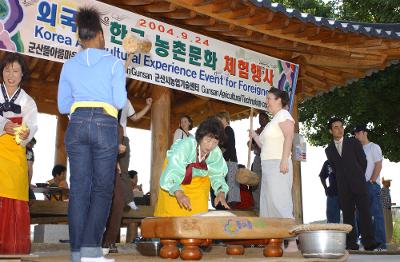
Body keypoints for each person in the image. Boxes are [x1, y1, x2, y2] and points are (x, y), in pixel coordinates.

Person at [57, 7, 127, 262]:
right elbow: (119, 100)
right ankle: (90, 251)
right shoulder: (113, 62)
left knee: (79, 190)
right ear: (98, 34)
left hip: (76, 124)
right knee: (101, 189)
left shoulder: (69, 65)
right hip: (104, 124)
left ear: (81, 38)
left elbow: (63, 106)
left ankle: (78, 254)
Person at [0, 52, 38, 254]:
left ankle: (11, 248)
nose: (11, 75)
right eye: (7, 70)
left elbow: (32, 126)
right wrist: (3, 123)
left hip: (15, 155)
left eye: (15, 70)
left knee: (13, 196)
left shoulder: (28, 102)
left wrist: (24, 132)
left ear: (23, 74)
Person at [154, 116, 230, 217]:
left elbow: (217, 175)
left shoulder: (216, 153)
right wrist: (179, 193)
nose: (210, 146)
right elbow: (174, 171)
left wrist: (221, 192)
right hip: (175, 178)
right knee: (171, 214)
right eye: (208, 140)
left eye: (215, 142)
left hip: (198, 184)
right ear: (200, 137)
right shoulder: (185, 146)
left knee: (198, 216)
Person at [250, 87, 296, 251]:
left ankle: (291, 242)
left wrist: (284, 160)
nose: (266, 102)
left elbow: (289, 136)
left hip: (278, 163)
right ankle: (276, 242)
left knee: (280, 201)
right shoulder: (273, 120)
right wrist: (255, 136)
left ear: (279, 100)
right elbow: (264, 146)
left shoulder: (284, 114)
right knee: (268, 204)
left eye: (269, 98)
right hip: (267, 165)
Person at [325, 117, 378, 251]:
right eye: (336, 127)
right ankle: (351, 243)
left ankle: (369, 242)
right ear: (331, 131)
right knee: (348, 215)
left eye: (341, 126)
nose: (340, 129)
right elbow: (335, 169)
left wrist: (358, 177)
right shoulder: (329, 150)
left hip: (359, 184)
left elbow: (363, 161)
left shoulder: (353, 143)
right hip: (343, 188)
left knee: (365, 213)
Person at [354, 125, 386, 249]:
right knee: (360, 215)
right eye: (355, 134)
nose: (356, 135)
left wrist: (372, 181)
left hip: (372, 186)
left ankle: (381, 245)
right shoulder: (358, 149)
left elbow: (378, 165)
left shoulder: (374, 147)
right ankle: (366, 243)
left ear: (365, 133)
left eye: (358, 133)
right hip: (360, 186)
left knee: (376, 214)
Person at [118, 98, 152, 211]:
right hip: (107, 134)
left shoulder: (126, 101)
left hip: (123, 137)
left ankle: (129, 200)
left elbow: (135, 117)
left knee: (124, 171)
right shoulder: (105, 93)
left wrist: (148, 106)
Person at [216, 111, 240, 206]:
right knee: (227, 183)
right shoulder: (224, 131)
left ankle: (232, 206)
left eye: (219, 120)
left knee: (231, 183)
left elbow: (227, 145)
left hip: (230, 160)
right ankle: (227, 204)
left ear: (224, 119)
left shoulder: (228, 130)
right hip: (226, 160)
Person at [250, 112, 269, 212]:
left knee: (267, 182)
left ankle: (267, 206)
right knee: (256, 181)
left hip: (268, 157)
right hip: (258, 157)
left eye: (262, 118)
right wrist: (251, 142)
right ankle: (257, 206)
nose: (261, 120)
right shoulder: (257, 131)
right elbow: (251, 146)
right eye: (259, 119)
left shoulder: (271, 129)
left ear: (267, 119)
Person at [381, 177, 394, 244]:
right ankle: (387, 241)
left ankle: (389, 240)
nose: (389, 183)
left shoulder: (386, 190)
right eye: (388, 182)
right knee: (387, 226)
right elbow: (382, 201)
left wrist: (390, 203)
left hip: (388, 209)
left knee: (389, 226)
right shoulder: (383, 190)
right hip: (385, 210)